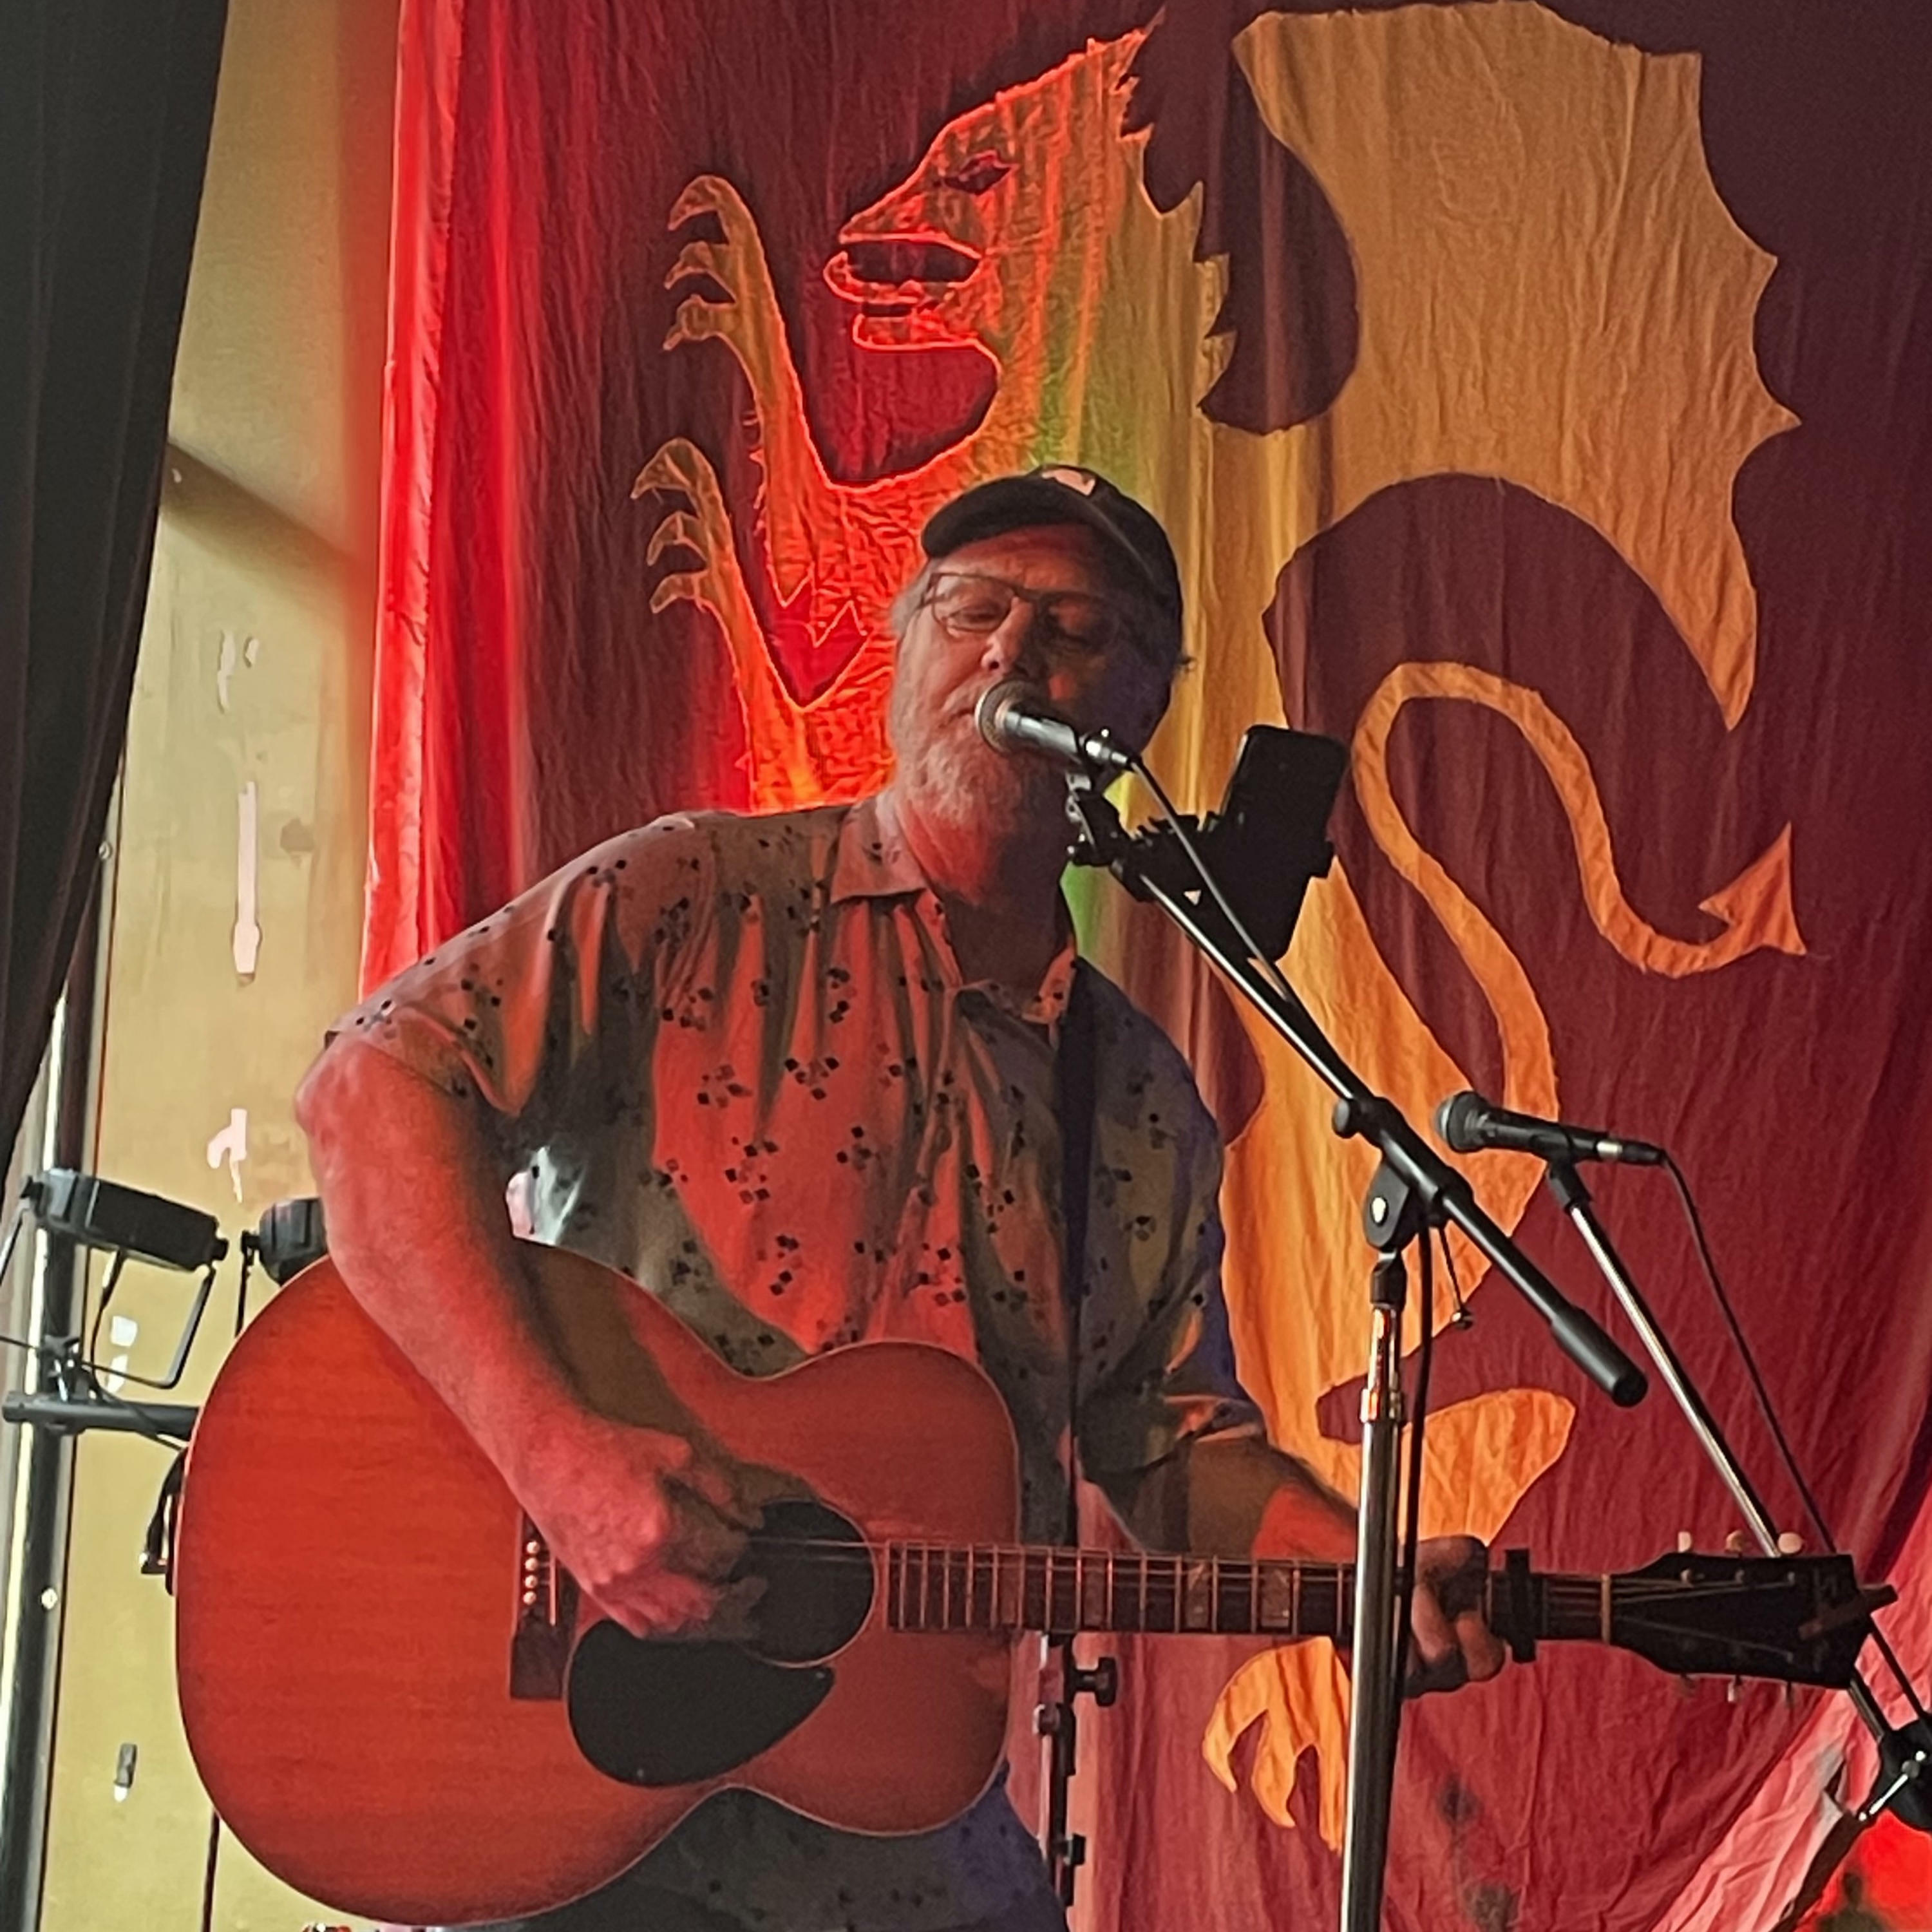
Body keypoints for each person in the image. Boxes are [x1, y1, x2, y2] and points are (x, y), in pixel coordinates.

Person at [296, 466, 1504, 1932]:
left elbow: (1171, 1444)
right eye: (971, 610)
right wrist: (556, 1459)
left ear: (1141, 710)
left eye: (1075, 629)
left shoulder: (1135, 1099)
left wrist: (1359, 1572)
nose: (1011, 653)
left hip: (895, 1842)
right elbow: (372, 1088)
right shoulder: (696, 899)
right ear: (907, 647)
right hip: (589, 1820)